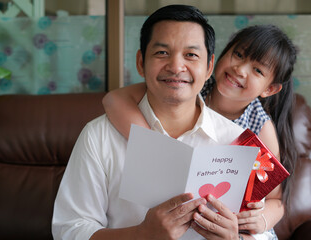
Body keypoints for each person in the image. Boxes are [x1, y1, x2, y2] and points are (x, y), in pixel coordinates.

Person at [53, 5, 263, 240]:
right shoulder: (98, 135)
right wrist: (141, 235)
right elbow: (70, 229)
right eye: (162, 53)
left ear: (209, 67)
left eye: (191, 55)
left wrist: (236, 238)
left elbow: (260, 231)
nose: (175, 67)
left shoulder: (240, 145)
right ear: (141, 62)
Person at [102, 24, 298, 239]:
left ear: (269, 89)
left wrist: (259, 221)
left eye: (257, 70)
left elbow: (277, 199)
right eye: (238, 55)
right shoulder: (189, 87)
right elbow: (113, 99)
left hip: (233, 227)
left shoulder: (260, 127)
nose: (240, 69)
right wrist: (153, 146)